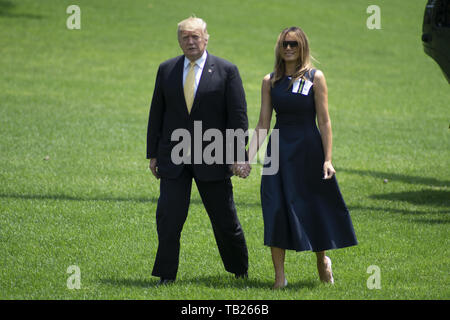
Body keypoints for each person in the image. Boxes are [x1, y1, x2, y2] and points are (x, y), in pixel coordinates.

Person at [248, 27, 358, 289]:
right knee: (275, 208)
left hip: (309, 149)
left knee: (312, 206)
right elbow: (263, 122)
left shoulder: (315, 77)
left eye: (294, 44)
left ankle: (322, 260)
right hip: (278, 152)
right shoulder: (269, 81)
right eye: (284, 44)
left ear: (302, 47)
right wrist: (247, 156)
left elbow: (325, 121)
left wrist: (328, 159)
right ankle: (279, 278)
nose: (288, 48)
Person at [146, 16, 251, 285]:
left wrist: (237, 154)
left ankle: (239, 270)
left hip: (214, 156)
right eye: (185, 37)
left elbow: (237, 117)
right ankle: (166, 276)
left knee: (225, 220)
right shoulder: (166, 69)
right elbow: (156, 113)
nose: (190, 41)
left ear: (206, 38)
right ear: (179, 41)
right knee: (169, 218)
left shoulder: (227, 71)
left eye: (195, 36)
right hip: (174, 157)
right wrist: (153, 153)